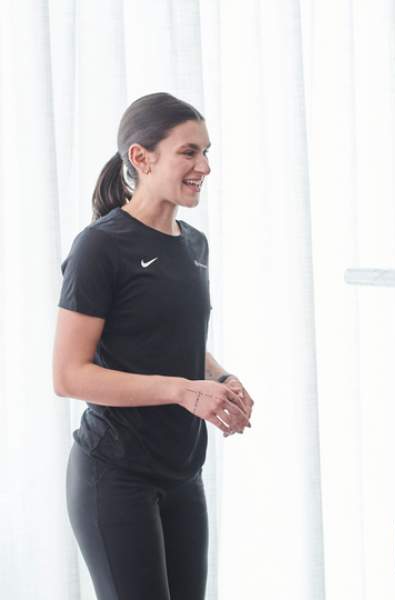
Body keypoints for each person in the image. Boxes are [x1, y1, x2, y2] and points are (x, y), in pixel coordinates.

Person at [53, 92, 254, 600]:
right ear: (140, 158)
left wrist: (220, 379)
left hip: (183, 473)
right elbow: (69, 375)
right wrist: (183, 392)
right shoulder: (100, 246)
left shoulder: (194, 244)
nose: (204, 166)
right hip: (114, 475)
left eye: (207, 152)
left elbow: (174, 342)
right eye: (188, 152)